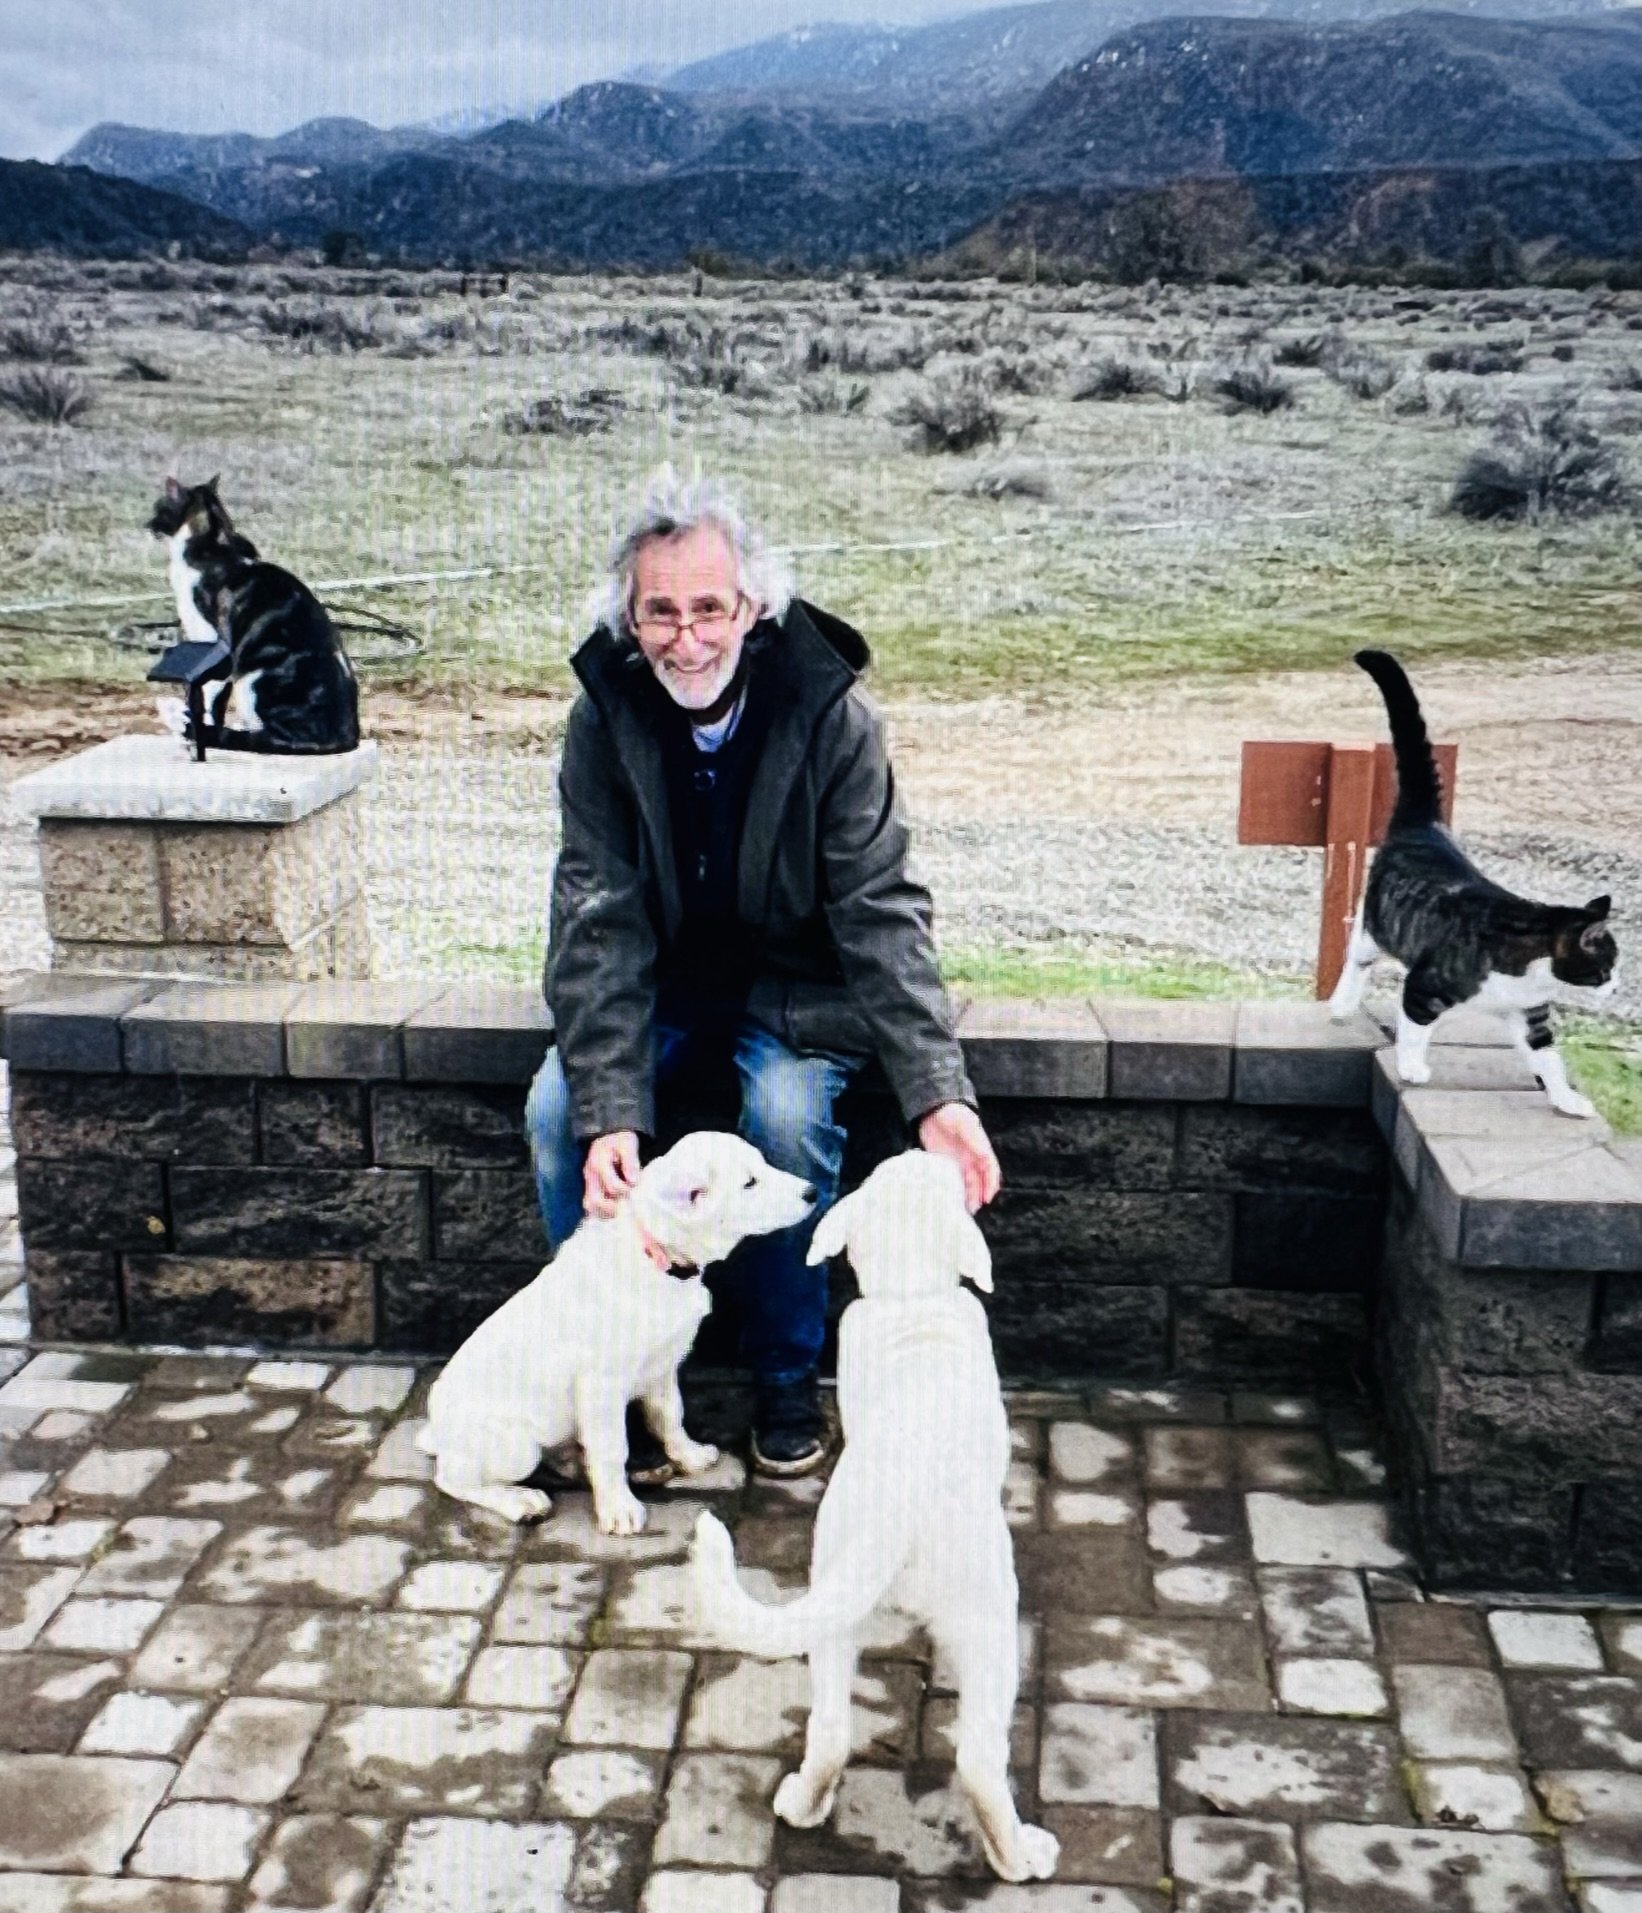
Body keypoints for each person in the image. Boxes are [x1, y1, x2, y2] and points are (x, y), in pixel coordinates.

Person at [525, 465, 1000, 1476]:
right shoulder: (602, 717)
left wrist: (936, 1091)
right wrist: (613, 1104)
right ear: (629, 615)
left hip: (796, 994)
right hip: (658, 992)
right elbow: (595, 918)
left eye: (709, 607)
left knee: (784, 1113)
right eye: (660, 611)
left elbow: (882, 910)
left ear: (753, 604)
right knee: (556, 1110)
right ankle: (606, 1385)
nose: (686, 637)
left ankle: (787, 1379)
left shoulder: (830, 716)